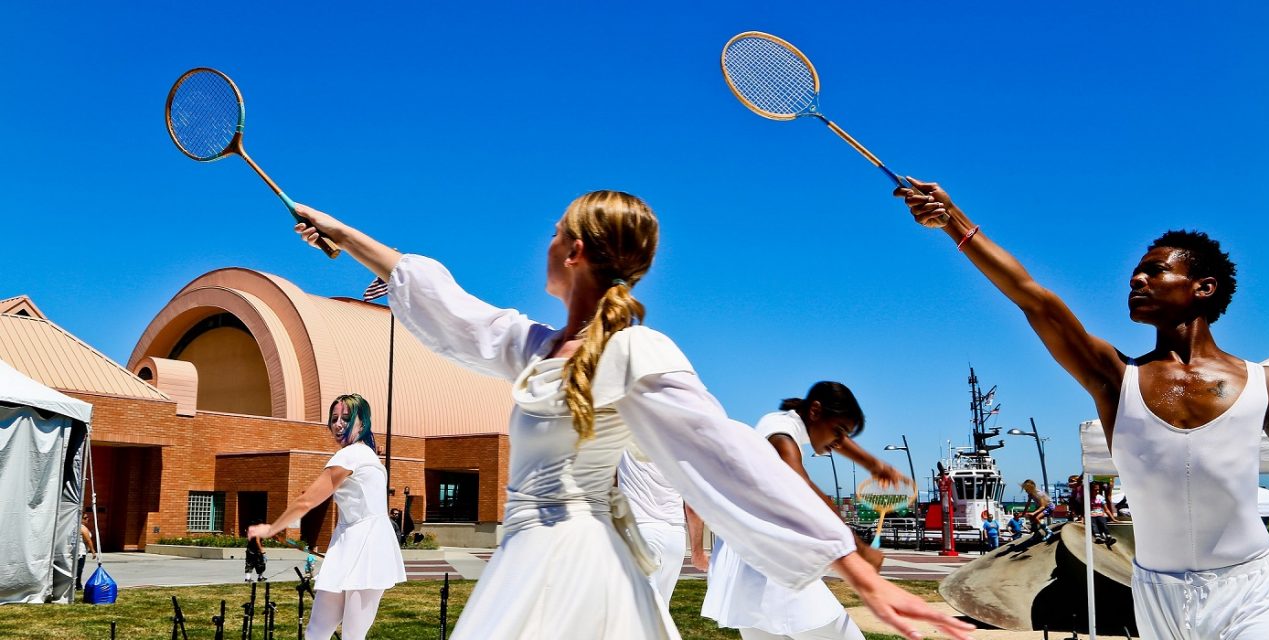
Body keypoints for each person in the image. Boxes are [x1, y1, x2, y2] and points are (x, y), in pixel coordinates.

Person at [293, 192, 973, 640]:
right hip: (526, 554)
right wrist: (345, 234)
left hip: (577, 561)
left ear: (575, 252)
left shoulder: (636, 351)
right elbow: (449, 306)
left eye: (556, 231)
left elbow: (729, 460)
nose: (548, 241)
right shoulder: (535, 348)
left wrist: (853, 569)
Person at [896, 178, 1269, 639]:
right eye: (1136, 273)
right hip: (1157, 593)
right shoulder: (1116, 378)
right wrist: (951, 220)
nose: (1136, 279)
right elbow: (1033, 297)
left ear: (1203, 287)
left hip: (1254, 587)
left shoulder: (1266, 386)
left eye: (1155, 271)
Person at [691, 381, 911, 640]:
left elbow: (837, 438)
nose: (839, 441)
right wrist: (859, 549)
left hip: (746, 557)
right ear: (815, 411)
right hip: (770, 559)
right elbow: (804, 489)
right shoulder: (782, 439)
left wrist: (872, 463)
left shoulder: (783, 421)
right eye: (838, 431)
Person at [248, 394, 406, 640]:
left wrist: (269, 529)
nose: (338, 424)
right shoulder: (367, 455)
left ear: (362, 423)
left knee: (339, 635)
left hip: (367, 546)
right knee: (323, 633)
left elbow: (307, 501)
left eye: (346, 418)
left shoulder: (351, 455)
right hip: (354, 541)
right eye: (334, 418)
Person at [616, 444, 688, 606]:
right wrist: (697, 550)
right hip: (675, 535)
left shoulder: (625, 436)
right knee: (661, 607)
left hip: (640, 531)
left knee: (641, 609)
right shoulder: (677, 446)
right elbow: (691, 500)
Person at [1088, 481, 1117, 548]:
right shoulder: (1088, 498)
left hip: (1100, 514)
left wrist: (1113, 519)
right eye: (1095, 490)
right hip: (1091, 515)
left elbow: (1106, 509)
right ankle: (1097, 536)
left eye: (1098, 489)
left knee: (1103, 523)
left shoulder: (1100, 498)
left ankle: (1108, 536)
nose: (1097, 491)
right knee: (1094, 524)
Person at [76, 511, 96, 591]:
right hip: (81, 551)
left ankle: (77, 584)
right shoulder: (82, 528)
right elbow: (88, 540)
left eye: (87, 517)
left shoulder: (75, 526)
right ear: (80, 519)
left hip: (77, 551)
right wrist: (93, 551)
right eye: (85, 518)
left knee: (77, 569)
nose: (87, 519)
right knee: (79, 569)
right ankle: (78, 585)